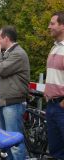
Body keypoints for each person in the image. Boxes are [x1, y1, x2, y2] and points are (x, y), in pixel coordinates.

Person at [0, 26, 30, 160]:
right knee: (7, 142)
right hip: (5, 103)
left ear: (6, 38)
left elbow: (0, 69)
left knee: (15, 144)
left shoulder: (18, 53)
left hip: (12, 104)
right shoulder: (7, 53)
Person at [44, 11, 64, 159]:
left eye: (52, 23)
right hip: (51, 106)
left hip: (61, 107)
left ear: (62, 26)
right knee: (55, 151)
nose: (48, 26)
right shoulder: (54, 47)